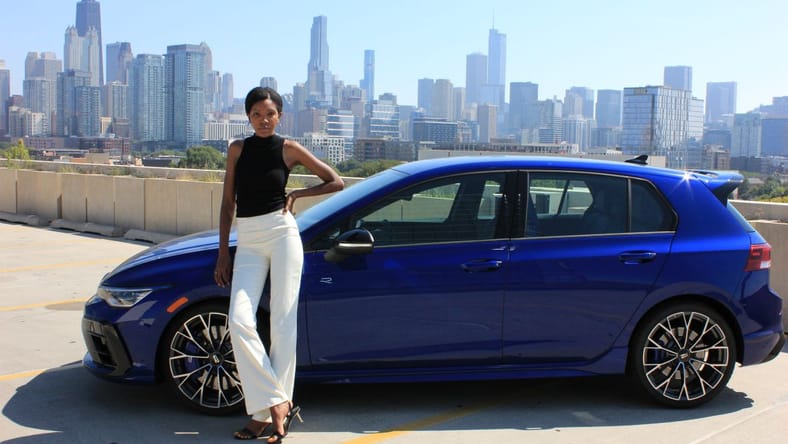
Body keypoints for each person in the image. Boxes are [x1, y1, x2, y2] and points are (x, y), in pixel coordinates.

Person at [214, 86, 344, 442]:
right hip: (250, 239)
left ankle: (265, 416)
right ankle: (277, 401)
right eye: (257, 114)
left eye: (270, 114)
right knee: (239, 320)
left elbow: (335, 181)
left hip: (283, 234)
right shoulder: (237, 150)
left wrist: (299, 193)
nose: (264, 120)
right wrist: (224, 252)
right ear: (248, 117)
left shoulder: (288, 149)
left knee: (283, 325)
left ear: (280, 115)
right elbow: (228, 205)